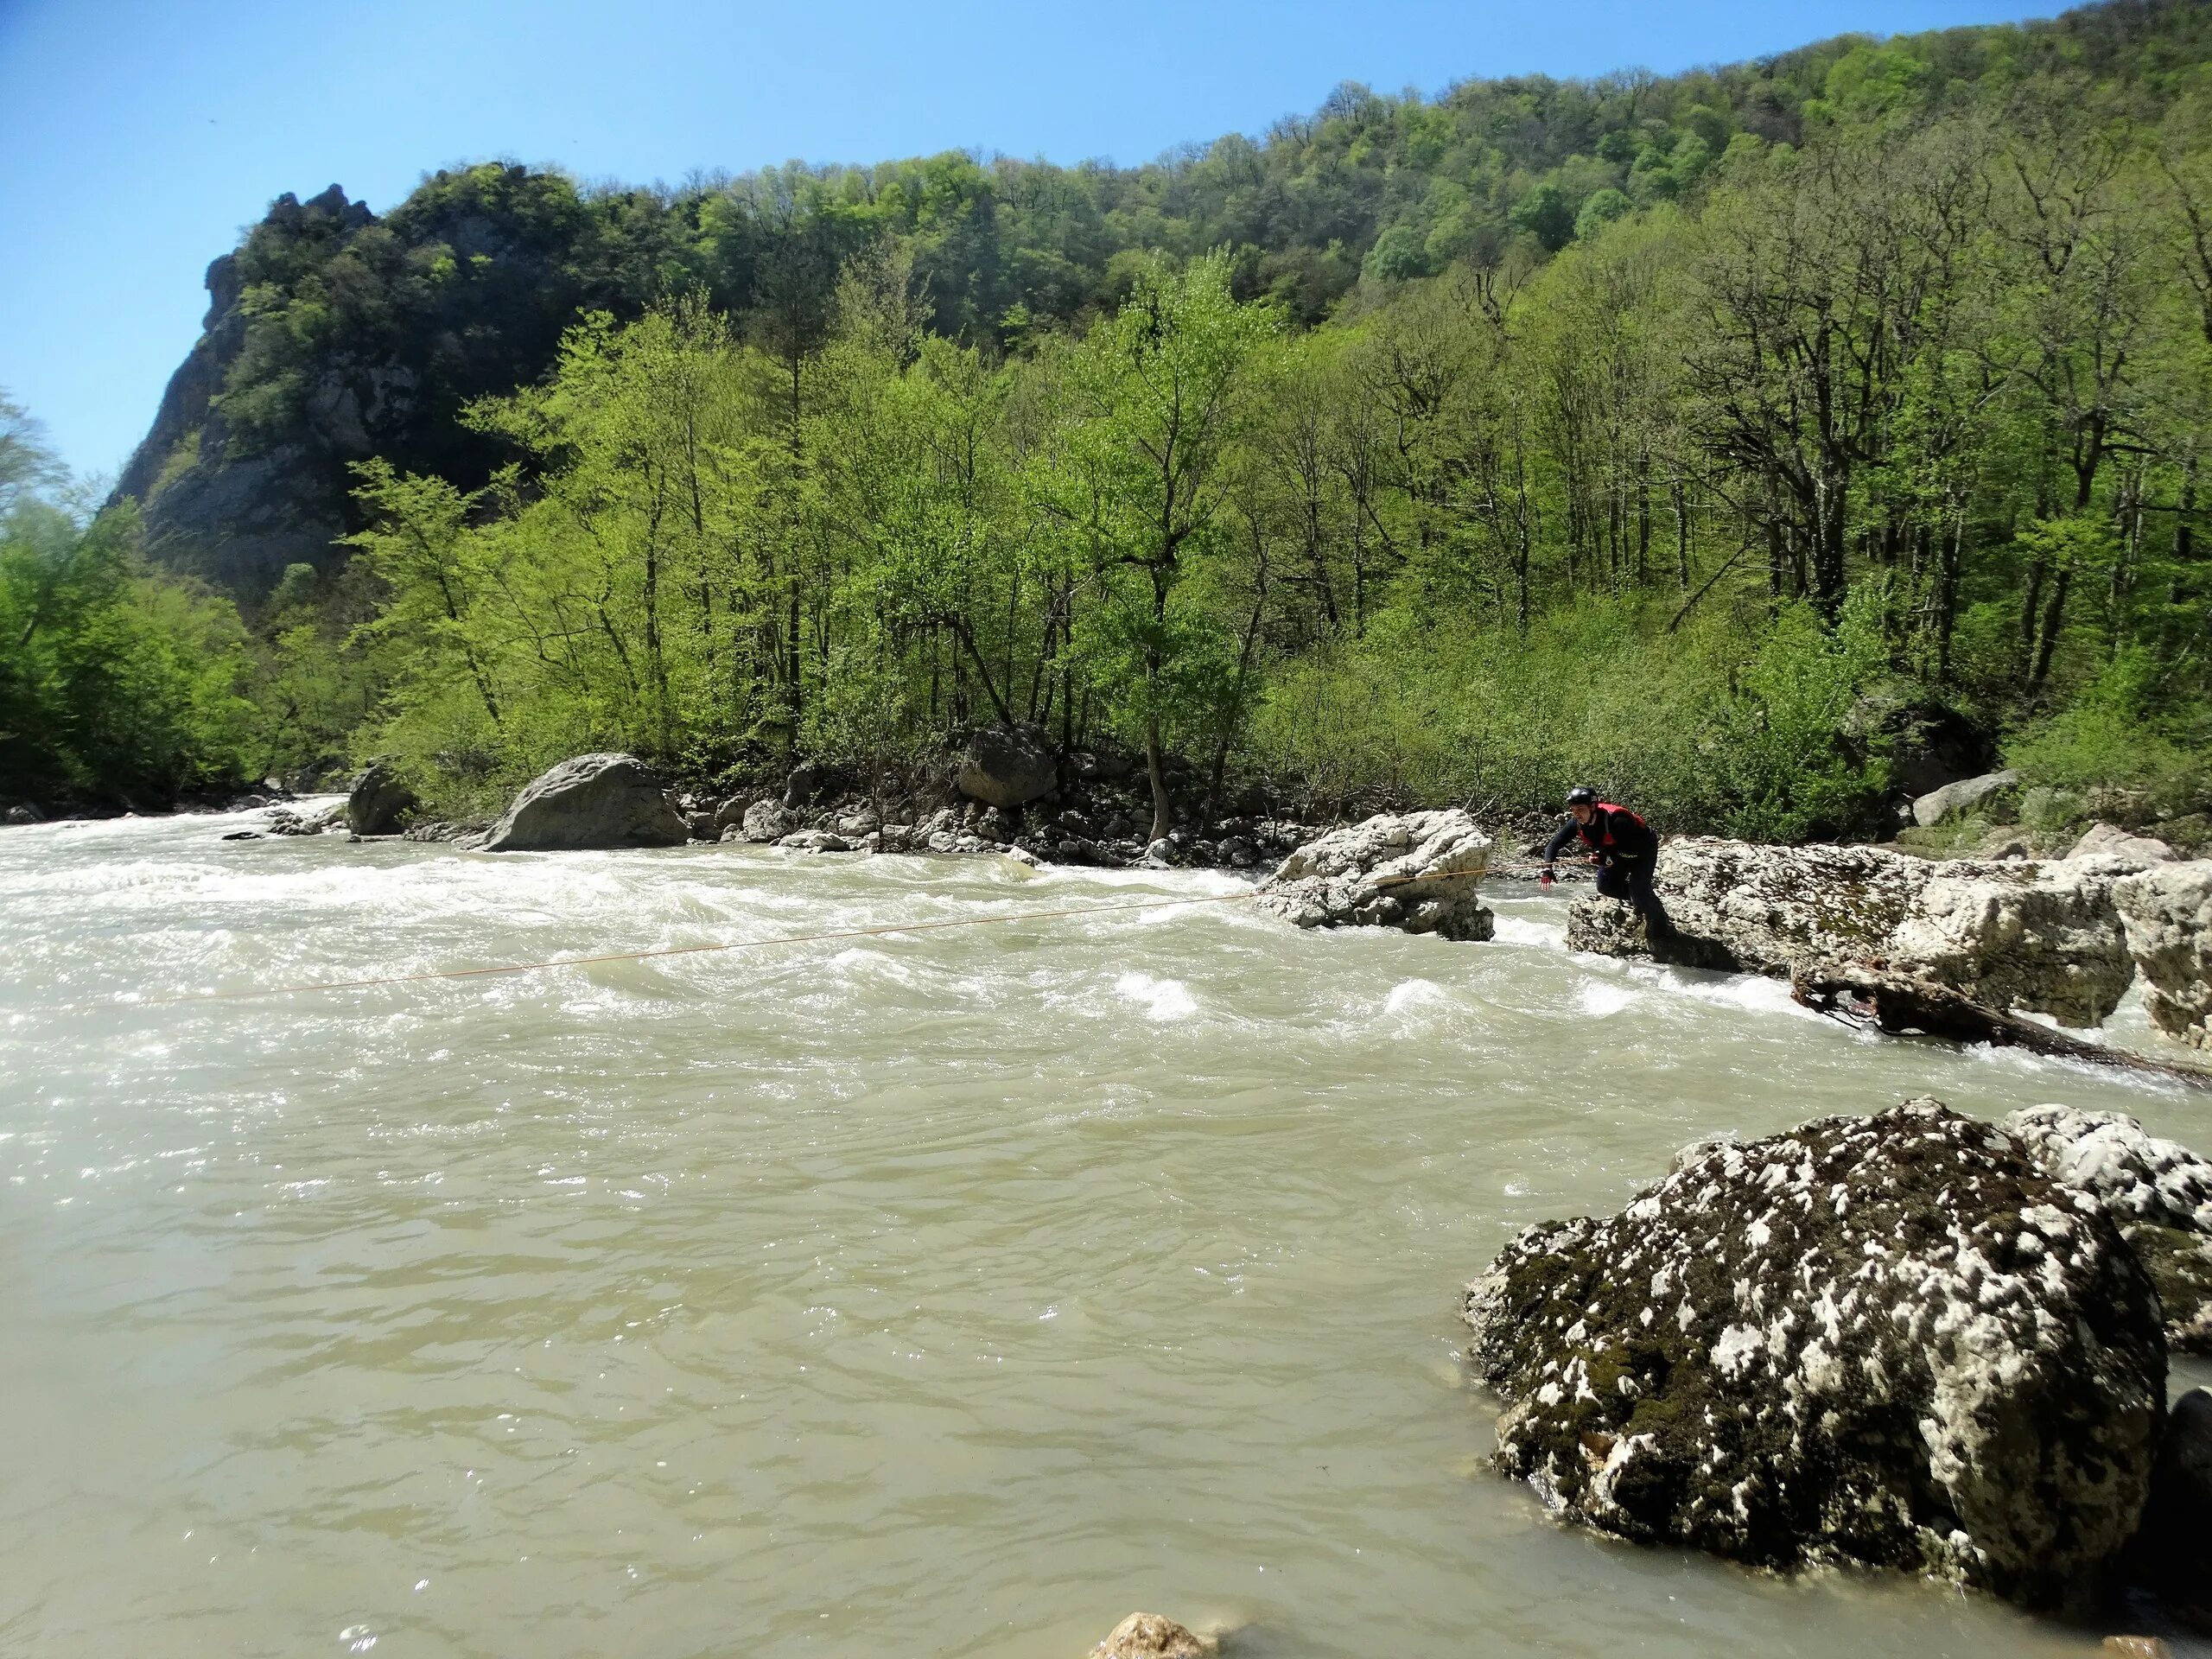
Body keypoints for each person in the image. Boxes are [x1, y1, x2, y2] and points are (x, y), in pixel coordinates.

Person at [1541, 786, 1668, 931]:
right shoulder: (1576, 823)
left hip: (1642, 851)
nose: (1577, 814)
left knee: (1638, 890)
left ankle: (1661, 925)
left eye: (1580, 809)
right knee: (1606, 888)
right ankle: (1644, 900)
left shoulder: (1617, 820)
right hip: (1614, 853)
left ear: (1593, 807)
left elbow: (1629, 852)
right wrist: (1547, 868)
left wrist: (1606, 859)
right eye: (1573, 810)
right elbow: (1554, 844)